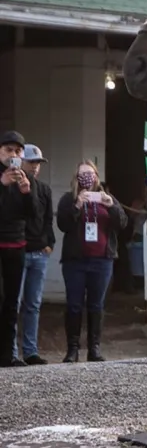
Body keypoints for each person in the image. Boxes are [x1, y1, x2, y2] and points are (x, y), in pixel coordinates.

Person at [57, 160, 127, 363]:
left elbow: (122, 223)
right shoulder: (68, 199)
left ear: (96, 176)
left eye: (90, 173)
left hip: (102, 261)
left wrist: (111, 206)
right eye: (83, 174)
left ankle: (94, 348)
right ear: (76, 178)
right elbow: (63, 224)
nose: (87, 177)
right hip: (75, 262)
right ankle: (72, 349)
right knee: (74, 305)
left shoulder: (107, 198)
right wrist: (78, 204)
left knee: (96, 305)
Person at [11, 144, 55, 365]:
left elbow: (48, 219)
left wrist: (49, 243)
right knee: (13, 303)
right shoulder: (10, 188)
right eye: (31, 162)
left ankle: (30, 351)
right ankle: (10, 352)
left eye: (38, 163)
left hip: (39, 252)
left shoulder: (44, 189)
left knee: (33, 304)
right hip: (17, 251)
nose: (35, 167)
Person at [0, 130, 40, 367]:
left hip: (16, 245)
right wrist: (2, 185)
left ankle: (7, 355)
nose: (13, 155)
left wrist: (26, 192)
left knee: (12, 302)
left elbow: (33, 214)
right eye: (8, 150)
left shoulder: (27, 178)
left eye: (17, 151)